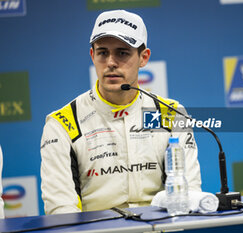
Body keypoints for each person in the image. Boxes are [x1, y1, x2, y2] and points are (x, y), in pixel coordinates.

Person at [40, 10, 201, 215]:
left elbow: (188, 194)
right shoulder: (61, 124)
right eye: (103, 52)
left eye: (122, 53)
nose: (111, 63)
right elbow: (61, 211)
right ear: (92, 55)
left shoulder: (172, 114)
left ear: (144, 57)